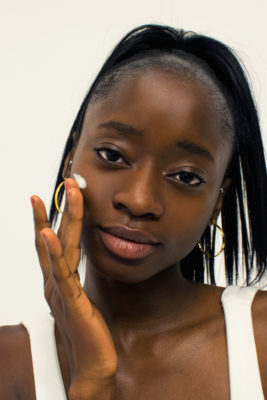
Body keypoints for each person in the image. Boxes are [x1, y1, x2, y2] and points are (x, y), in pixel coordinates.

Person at [0, 24, 266, 400]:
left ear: (217, 201)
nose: (139, 201)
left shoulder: (261, 338)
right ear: (72, 155)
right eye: (112, 155)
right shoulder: (7, 364)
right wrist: (93, 380)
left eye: (186, 176)